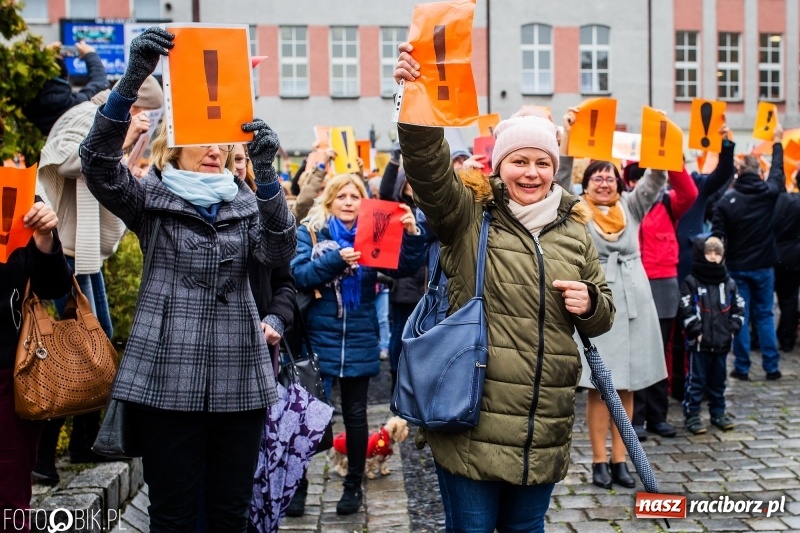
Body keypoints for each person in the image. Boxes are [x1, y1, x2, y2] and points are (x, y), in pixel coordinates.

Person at [78, 27, 296, 531]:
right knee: (173, 516)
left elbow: (280, 249)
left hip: (240, 380)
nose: (214, 149)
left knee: (228, 515)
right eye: (199, 139)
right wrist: (134, 76)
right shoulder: (149, 200)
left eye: (221, 141)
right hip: (165, 383)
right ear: (172, 148)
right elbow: (96, 162)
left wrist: (265, 175)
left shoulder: (247, 203)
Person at [395, 44, 614, 532]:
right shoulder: (469, 214)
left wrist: (591, 301)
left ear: (554, 166)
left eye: (542, 162)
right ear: (500, 165)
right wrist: (416, 99)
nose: (531, 173)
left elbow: (603, 312)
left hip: (544, 425)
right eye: (520, 161)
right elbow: (428, 170)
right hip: (472, 416)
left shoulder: (574, 228)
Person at [32, 75, 163, 483]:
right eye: (144, 112)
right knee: (71, 350)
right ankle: (44, 454)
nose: (144, 120)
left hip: (82, 252)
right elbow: (66, 162)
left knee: (97, 340)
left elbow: (106, 174)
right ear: (133, 105)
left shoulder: (110, 120)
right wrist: (121, 140)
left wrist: (130, 153)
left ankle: (82, 442)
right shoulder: (87, 116)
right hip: (62, 249)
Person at [290, 173, 426, 515]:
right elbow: (300, 274)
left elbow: (403, 268)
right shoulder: (311, 231)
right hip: (319, 338)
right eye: (342, 196)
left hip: (360, 336)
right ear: (330, 200)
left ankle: (352, 485)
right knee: (309, 416)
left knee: (354, 414)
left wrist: (410, 235)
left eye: (355, 196)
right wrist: (338, 259)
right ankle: (298, 487)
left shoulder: (374, 233)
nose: (349, 202)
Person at [557, 108, 667, 490]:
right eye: (596, 177)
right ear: (584, 184)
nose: (604, 183)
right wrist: (569, 138)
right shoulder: (575, 211)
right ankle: (600, 460)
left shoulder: (632, 208)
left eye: (609, 177)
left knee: (628, 386)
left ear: (619, 184)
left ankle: (622, 459)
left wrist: (660, 134)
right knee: (600, 387)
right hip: (599, 305)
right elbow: (557, 178)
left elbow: (656, 177)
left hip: (635, 305)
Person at [0, 201, 72, 533]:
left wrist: (45, 238)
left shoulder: (16, 195)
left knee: (9, 500)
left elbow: (53, 288)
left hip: (9, 378)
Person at [629, 162, 698, 440]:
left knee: (661, 350)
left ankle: (658, 415)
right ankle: (637, 417)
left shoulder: (669, 203)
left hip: (663, 281)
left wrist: (670, 159)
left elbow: (690, 192)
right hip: (635, 279)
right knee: (637, 351)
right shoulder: (628, 204)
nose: (640, 184)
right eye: (635, 178)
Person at [712, 124, 785, 381]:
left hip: (738, 266)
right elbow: (778, 172)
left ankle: (742, 368)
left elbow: (718, 236)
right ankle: (771, 367)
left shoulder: (727, 200)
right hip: (764, 265)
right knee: (765, 315)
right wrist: (777, 143)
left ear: (740, 172)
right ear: (759, 172)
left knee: (740, 316)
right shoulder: (768, 193)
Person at [680, 236, 744, 434]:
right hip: (700, 343)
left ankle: (718, 412)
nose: (713, 257)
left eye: (717, 253)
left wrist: (732, 330)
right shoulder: (692, 281)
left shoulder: (729, 282)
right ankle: (692, 415)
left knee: (719, 381)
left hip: (722, 342)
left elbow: (739, 307)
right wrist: (696, 331)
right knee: (696, 381)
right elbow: (685, 308)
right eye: (709, 252)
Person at [23, 40, 109, 136]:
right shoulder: (72, 106)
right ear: (63, 77)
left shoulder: (21, 101)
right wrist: (91, 55)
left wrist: (41, 54)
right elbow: (99, 85)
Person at [773, 170, 800, 352]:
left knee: (766, 302)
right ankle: (787, 339)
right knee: (789, 300)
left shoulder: (777, 201)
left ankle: (759, 338)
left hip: (774, 254)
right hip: (795, 256)